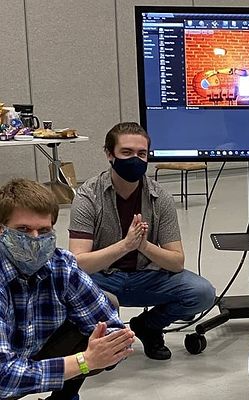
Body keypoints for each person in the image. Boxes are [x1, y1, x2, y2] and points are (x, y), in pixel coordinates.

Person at [68, 122, 216, 360]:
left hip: (147, 277)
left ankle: (149, 326)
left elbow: (176, 262)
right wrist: (125, 245)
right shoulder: (88, 196)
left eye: (141, 154)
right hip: (103, 279)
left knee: (202, 292)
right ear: (109, 154)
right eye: (126, 152)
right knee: (82, 294)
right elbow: (78, 263)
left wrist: (143, 246)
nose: (135, 159)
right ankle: (103, 341)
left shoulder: (160, 198)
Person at [0, 178, 135, 400]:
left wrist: (111, 346)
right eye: (23, 229)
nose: (35, 239)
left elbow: (111, 329)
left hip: (25, 359)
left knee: (106, 310)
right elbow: (2, 376)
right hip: (4, 372)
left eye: (44, 230)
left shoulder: (61, 264)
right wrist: (84, 361)